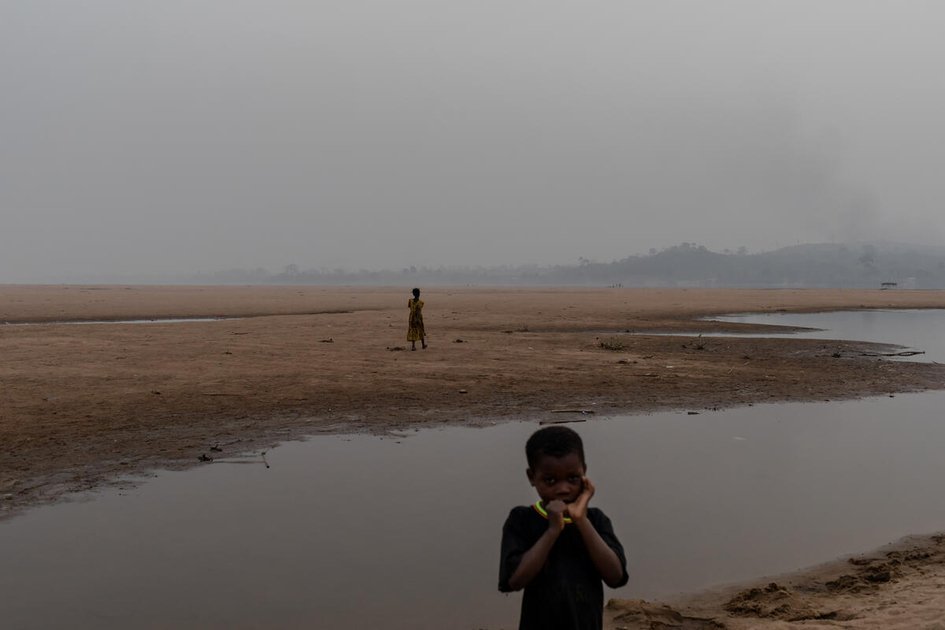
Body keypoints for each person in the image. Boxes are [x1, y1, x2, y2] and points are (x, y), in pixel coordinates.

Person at [498, 426, 628, 630]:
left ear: (584, 472)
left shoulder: (595, 519)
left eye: (572, 478)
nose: (563, 489)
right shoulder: (521, 519)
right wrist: (552, 531)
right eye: (550, 480)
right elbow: (514, 581)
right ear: (532, 477)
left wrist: (581, 520)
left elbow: (615, 576)